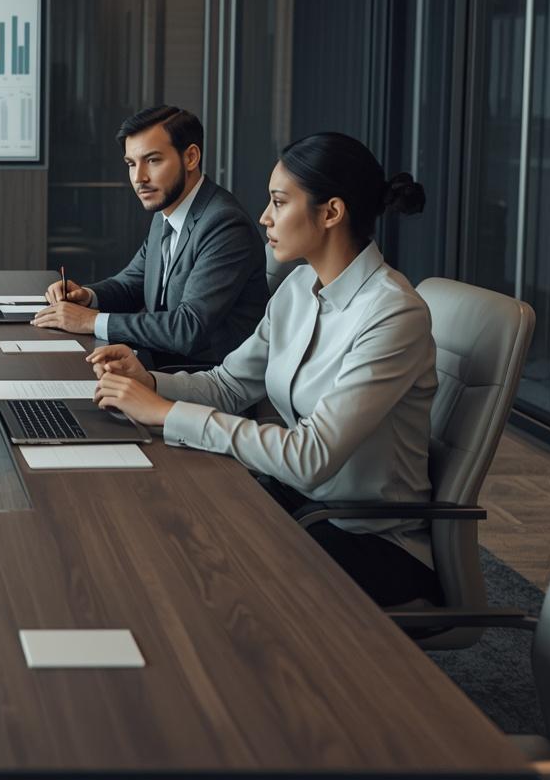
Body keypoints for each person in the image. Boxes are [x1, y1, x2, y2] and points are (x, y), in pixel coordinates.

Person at [90, 132, 437, 607]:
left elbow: (310, 457)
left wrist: (166, 413)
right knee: (162, 524)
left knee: (207, 578)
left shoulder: (393, 314)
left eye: (279, 202)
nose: (264, 217)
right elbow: (231, 383)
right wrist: (148, 383)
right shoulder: (299, 287)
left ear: (332, 212)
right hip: (301, 504)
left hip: (369, 540)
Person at [35, 105, 267, 367]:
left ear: (191, 157)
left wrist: (89, 320)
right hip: (157, 360)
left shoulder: (224, 224)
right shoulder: (167, 211)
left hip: (202, 377)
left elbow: (186, 328)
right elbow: (131, 284)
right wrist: (87, 296)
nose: (139, 177)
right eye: (131, 164)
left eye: (153, 160)